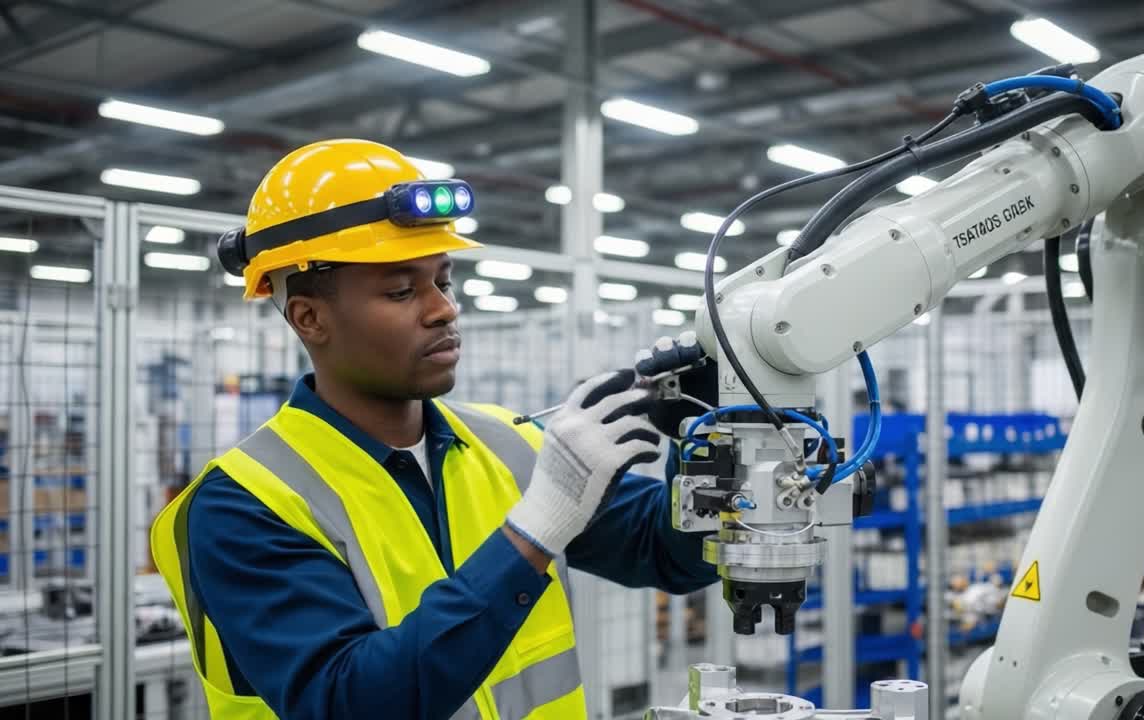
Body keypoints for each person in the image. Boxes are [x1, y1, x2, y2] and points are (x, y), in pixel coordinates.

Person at [150, 139, 719, 720]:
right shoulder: (242, 506)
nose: (443, 309)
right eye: (401, 290)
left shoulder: (510, 446)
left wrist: (710, 435)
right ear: (310, 317)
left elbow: (673, 554)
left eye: (443, 281)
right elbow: (351, 700)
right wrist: (536, 528)